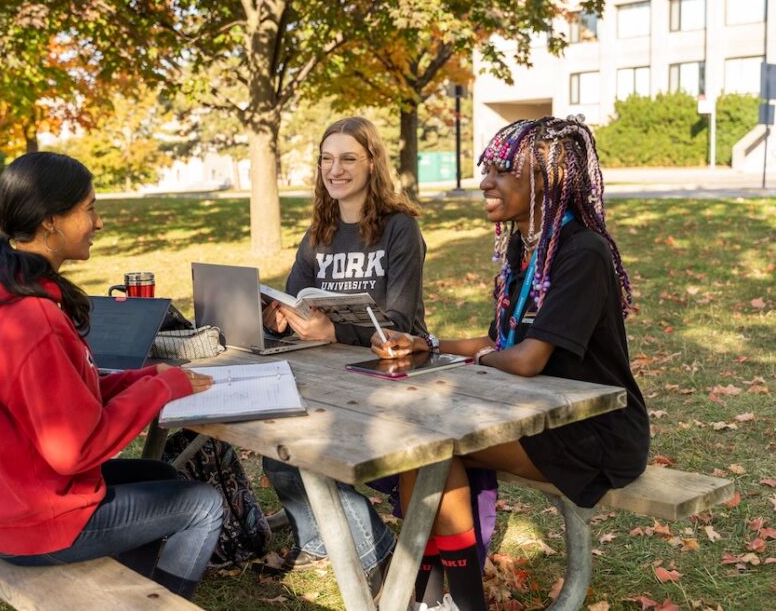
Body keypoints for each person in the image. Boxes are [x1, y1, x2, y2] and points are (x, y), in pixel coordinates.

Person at [373, 116, 650, 611]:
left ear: (548, 180)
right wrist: (428, 344)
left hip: (595, 430)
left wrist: (478, 357)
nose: (485, 181)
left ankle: (450, 601)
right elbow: (501, 339)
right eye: (489, 169)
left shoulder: (581, 251)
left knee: (431, 447)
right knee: (427, 448)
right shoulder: (526, 245)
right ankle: (432, 599)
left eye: (503, 171)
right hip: (535, 414)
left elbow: (524, 360)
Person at [0, 152, 224, 599]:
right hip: (30, 519)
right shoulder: (32, 318)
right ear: (50, 223)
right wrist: (162, 387)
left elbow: (59, 397)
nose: (98, 223)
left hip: (6, 497)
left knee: (161, 475)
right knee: (203, 505)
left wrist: (139, 380)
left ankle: (124, 596)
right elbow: (73, 450)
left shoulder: (4, 290)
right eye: (90, 209)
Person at [260, 116, 496, 602]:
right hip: (327, 369)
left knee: (320, 455)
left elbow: (401, 323)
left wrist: (335, 330)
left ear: (372, 163)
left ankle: (386, 561)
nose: (335, 169)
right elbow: (291, 300)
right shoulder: (318, 233)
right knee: (281, 453)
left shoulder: (399, 228)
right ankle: (371, 546)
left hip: (396, 375)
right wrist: (276, 318)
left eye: (348, 158)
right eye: (327, 159)